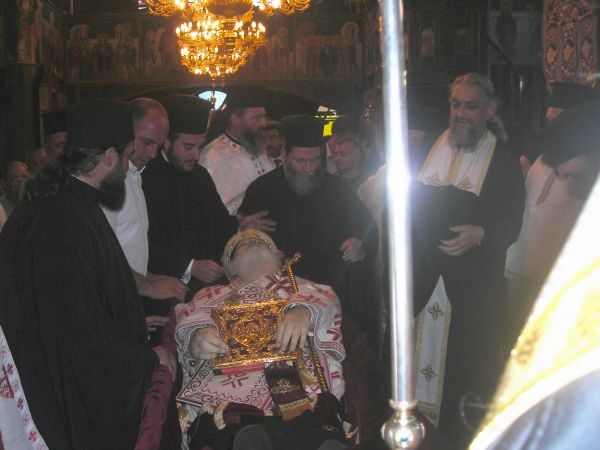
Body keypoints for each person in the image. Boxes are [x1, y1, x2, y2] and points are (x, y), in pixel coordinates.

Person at [0, 98, 176, 449]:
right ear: (109, 156)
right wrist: (144, 361)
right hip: (61, 403)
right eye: (125, 157)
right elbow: (77, 333)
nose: (126, 166)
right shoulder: (64, 220)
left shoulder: (60, 202)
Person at [412, 73, 524, 448]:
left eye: (471, 106)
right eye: (456, 104)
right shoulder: (426, 147)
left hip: (469, 290)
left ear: (488, 110)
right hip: (421, 283)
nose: (461, 113)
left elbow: (513, 221)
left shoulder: (504, 159)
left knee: (464, 370)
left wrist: (482, 234)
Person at [174, 229, 349, 450]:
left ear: (279, 257)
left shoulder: (301, 286)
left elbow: (327, 300)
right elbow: (188, 317)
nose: (253, 241)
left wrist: (303, 312)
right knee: (234, 430)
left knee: (312, 427)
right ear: (230, 268)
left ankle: (318, 439)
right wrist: (196, 338)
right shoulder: (208, 295)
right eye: (243, 244)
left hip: (300, 379)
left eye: (261, 242)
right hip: (231, 388)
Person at [470, 171, 600, 450]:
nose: (568, 181)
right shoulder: (541, 167)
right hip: (520, 273)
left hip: (557, 287)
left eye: (571, 175)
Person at [238, 114, 378, 346]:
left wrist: (359, 243)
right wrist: (247, 231)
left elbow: (367, 227)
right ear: (285, 155)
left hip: (330, 294)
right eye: (301, 161)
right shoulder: (261, 190)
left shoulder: (337, 189)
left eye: (314, 161)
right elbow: (240, 246)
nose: (308, 168)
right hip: (278, 296)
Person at [505, 83, 598, 342]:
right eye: (549, 121)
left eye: (560, 121)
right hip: (518, 274)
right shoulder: (542, 161)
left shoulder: (585, 172)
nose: (553, 130)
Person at [102, 97, 187, 344]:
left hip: (132, 298)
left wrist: (149, 276)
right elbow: (103, 258)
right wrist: (148, 286)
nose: (152, 154)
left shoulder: (135, 174)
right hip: (111, 304)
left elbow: (128, 244)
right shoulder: (111, 181)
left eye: (158, 146)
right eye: (146, 143)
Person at [142, 94, 238, 298]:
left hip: (206, 287)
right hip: (161, 288)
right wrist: (189, 266)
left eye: (200, 146)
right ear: (166, 142)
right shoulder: (144, 177)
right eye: (188, 147)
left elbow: (218, 222)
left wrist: (244, 231)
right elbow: (139, 243)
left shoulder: (199, 175)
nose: (196, 155)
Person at [200, 89, 275, 215]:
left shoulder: (258, 149)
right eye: (257, 118)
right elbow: (211, 208)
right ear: (235, 119)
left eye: (264, 117)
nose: (263, 124)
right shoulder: (214, 155)